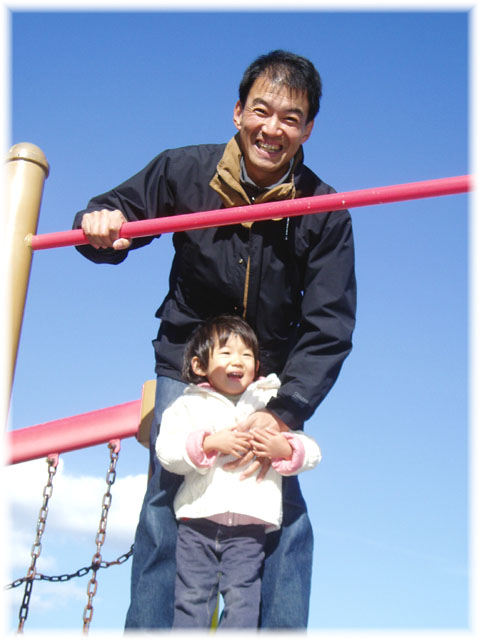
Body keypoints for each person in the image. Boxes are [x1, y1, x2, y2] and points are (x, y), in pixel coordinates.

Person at [73, 49, 356, 629]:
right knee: (167, 500)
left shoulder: (324, 211)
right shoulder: (185, 170)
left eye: (291, 118)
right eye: (261, 111)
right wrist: (98, 223)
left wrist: (284, 411)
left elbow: (330, 323)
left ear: (307, 129)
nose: (272, 129)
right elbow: (115, 213)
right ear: (238, 112)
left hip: (265, 378)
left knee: (283, 512)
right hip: (190, 364)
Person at [156, 315, 321, 628]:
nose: (238, 360)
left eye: (246, 354)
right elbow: (166, 451)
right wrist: (208, 443)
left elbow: (313, 452)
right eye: (226, 352)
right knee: (192, 597)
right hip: (197, 521)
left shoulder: (268, 402)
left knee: (244, 599)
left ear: (256, 367)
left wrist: (284, 448)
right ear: (199, 366)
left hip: (249, 527)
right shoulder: (188, 405)